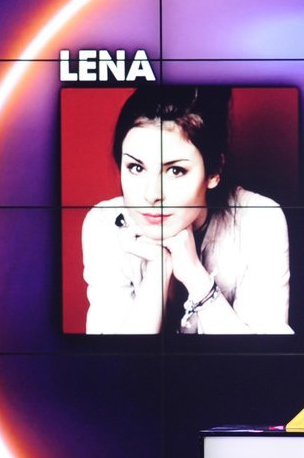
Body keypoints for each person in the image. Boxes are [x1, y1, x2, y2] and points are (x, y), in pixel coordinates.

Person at [81, 85, 292, 334]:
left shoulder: (259, 220)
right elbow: (112, 358)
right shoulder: (106, 224)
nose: (151, 194)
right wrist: (158, 270)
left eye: (175, 170)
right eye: (136, 168)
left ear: (213, 172)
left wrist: (195, 276)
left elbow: (262, 358)